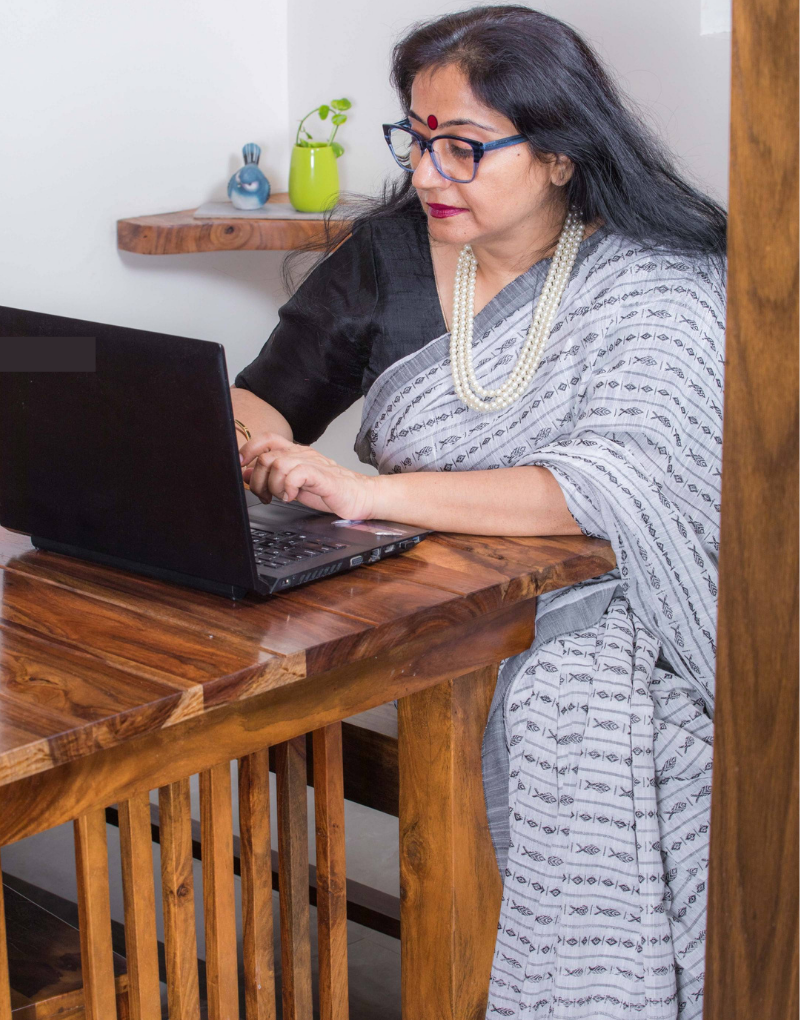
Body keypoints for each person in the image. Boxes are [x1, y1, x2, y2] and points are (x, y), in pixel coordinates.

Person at [231, 7, 727, 1017]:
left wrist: (362, 493)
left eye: (461, 147)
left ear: (555, 154)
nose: (424, 174)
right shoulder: (389, 256)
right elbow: (263, 393)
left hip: (606, 601)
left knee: (573, 715)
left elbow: (610, 482)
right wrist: (250, 442)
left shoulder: (655, 281)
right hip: (411, 594)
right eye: (414, 140)